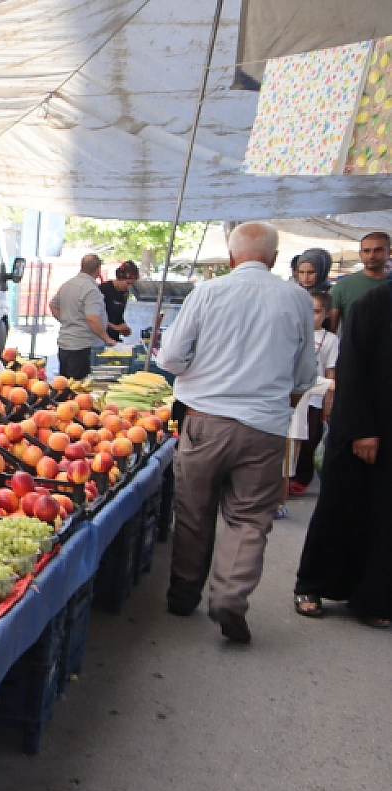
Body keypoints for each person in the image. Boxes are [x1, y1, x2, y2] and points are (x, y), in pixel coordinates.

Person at [159, 221, 316, 643]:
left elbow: (171, 357)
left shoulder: (208, 292)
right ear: (276, 259)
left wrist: (203, 373)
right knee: (249, 518)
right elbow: (305, 373)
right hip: (264, 427)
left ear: (231, 258)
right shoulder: (297, 298)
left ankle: (183, 594)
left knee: (194, 511)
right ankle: (229, 597)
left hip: (204, 420)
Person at [292, 281, 392, 627]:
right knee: (341, 507)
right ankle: (312, 585)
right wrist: (363, 429)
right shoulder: (373, 304)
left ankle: (373, 598)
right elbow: (352, 370)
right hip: (362, 428)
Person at [287, 290, 337, 497]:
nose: (311, 315)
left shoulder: (330, 340)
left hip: (316, 396)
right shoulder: (293, 333)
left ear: (326, 314)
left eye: (316, 311)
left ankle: (302, 477)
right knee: (290, 438)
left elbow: (330, 371)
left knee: (309, 439)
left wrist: (328, 403)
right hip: (293, 393)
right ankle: (287, 476)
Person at [49, 253, 117, 380]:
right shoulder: (91, 289)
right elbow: (92, 318)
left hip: (65, 344)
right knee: (79, 388)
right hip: (83, 347)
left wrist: (67, 321)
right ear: (98, 269)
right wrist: (107, 338)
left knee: (65, 386)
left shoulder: (67, 284)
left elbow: (53, 306)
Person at [328, 231, 389, 329]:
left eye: (378, 250)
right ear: (360, 254)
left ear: (389, 252)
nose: (371, 256)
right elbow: (330, 333)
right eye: (366, 251)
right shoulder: (342, 287)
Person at [97, 261, 138, 340]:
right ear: (120, 278)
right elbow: (95, 317)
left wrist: (124, 328)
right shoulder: (103, 289)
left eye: (131, 284)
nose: (129, 287)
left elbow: (118, 316)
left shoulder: (124, 293)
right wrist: (115, 327)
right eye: (127, 283)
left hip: (114, 338)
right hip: (100, 337)